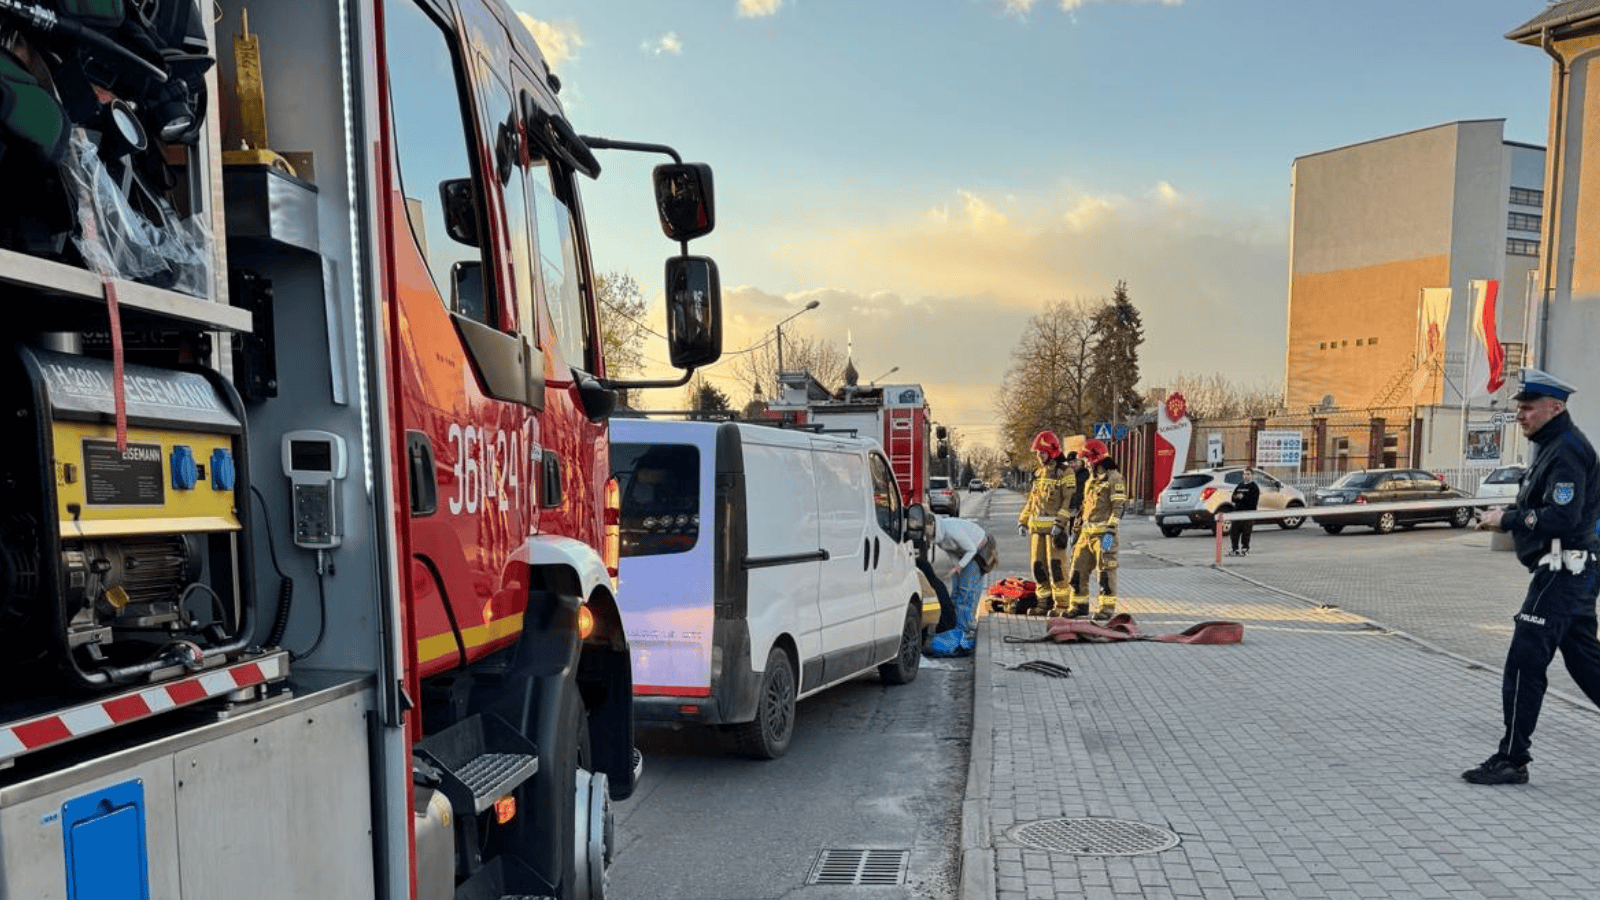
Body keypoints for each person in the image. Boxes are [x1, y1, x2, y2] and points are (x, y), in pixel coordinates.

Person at [1463, 367, 1600, 785]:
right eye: (1520, 408)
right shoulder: (1551, 446)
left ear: (1554, 408)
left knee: (1525, 660)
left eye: (1529, 408)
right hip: (1568, 568)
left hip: (1563, 568)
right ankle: (1512, 754)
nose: (1521, 415)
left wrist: (1506, 519)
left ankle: (1512, 757)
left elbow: (1562, 516)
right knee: (1586, 664)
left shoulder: (1566, 450)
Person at [1017, 430, 1075, 616]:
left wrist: (1060, 524)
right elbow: (1032, 501)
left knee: (1056, 568)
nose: (1039, 457)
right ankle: (1043, 603)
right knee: (1038, 567)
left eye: (1041, 453)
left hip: (1054, 531)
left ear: (1052, 451)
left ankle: (1062, 605)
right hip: (1037, 531)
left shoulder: (1065, 472)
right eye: (1037, 453)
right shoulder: (1039, 473)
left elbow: (1068, 501)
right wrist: (1023, 521)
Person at [1067, 440, 1126, 621]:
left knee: (1105, 571)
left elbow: (1118, 507)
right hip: (1086, 534)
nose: (1085, 462)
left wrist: (1110, 530)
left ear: (1095, 458)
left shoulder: (1114, 478)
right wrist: (1077, 529)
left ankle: (1106, 609)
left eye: (1087, 458)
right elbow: (1085, 506)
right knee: (1077, 569)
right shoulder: (1090, 480)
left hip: (1105, 535)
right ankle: (1079, 605)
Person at [930, 514, 990, 641]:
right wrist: (955, 567)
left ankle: (964, 629)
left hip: (979, 549)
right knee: (956, 591)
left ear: (932, 525)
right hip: (964, 553)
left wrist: (960, 566)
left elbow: (971, 549)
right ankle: (956, 625)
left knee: (965, 590)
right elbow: (950, 551)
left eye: (925, 528)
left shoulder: (951, 530)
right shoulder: (937, 537)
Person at [1228, 468, 1262, 556]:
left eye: (1248, 474)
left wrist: (1243, 497)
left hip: (1248, 513)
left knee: (1246, 532)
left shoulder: (1254, 487)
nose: (1246, 476)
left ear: (1252, 476)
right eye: (1244, 474)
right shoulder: (1240, 485)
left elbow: (1253, 502)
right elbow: (1233, 497)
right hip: (1237, 512)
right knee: (1234, 531)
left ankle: (1245, 548)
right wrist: (1237, 497)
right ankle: (1234, 549)